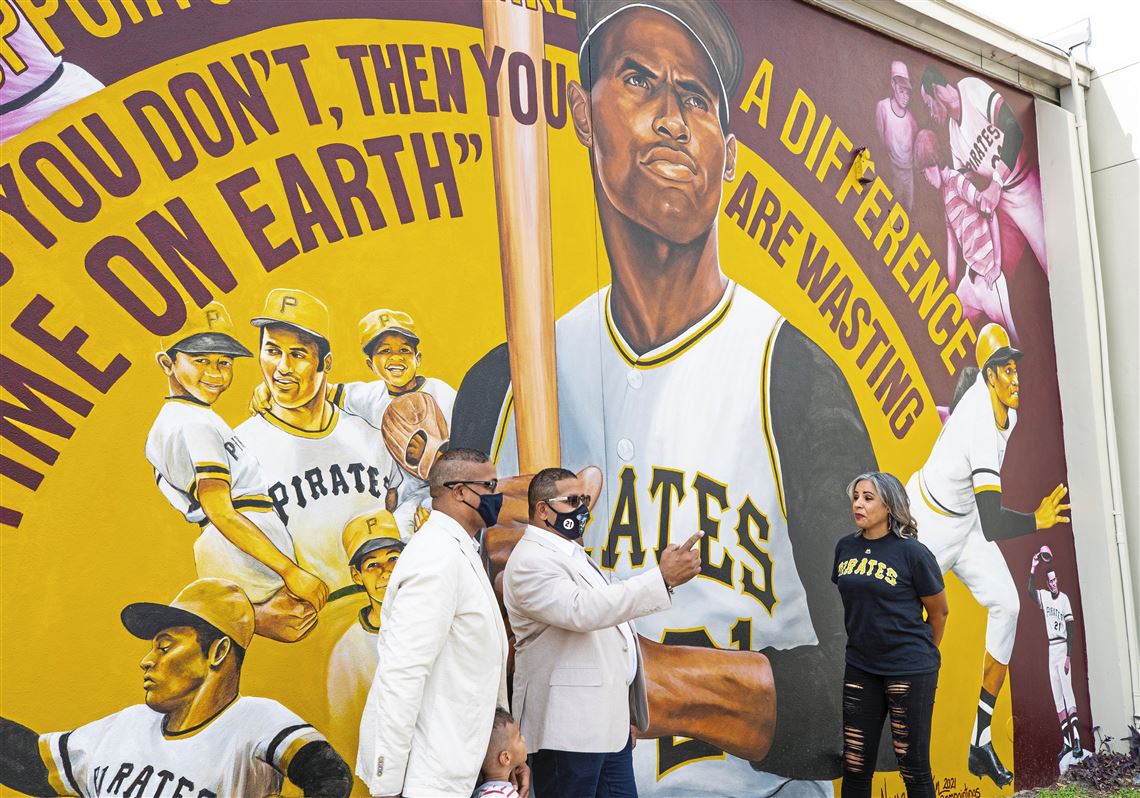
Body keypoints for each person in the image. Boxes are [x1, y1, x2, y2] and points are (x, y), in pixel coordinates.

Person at [453, 0, 879, 790]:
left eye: (698, 97)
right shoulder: (502, 383)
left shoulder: (792, 379)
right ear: (581, 112)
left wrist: (644, 675)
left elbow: (876, 687)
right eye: (639, 78)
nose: (673, 119)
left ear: (732, 153)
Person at [0, 578, 352, 797]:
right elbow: (32, 764)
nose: (147, 660)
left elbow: (329, 776)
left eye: (164, 646)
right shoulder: (128, 725)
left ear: (217, 652)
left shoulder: (256, 720)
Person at [905, 323, 1070, 785]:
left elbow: (963, 385)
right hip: (928, 527)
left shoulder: (1004, 409)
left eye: (1014, 366)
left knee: (1009, 605)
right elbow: (996, 521)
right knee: (906, 623)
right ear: (989, 377)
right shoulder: (981, 422)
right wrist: (1037, 519)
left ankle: (979, 742)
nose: (1014, 377)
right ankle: (897, 732)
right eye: (1003, 369)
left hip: (965, 524)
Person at [505, 467, 703, 797]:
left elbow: (606, 631)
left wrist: (618, 710)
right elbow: (582, 610)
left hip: (606, 728)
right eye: (572, 501)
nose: (582, 508)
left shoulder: (572, 555)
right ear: (542, 509)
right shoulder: (530, 560)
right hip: (566, 732)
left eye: (584, 499)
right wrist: (661, 579)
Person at [145, 301, 325, 643]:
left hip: (240, 544)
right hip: (237, 545)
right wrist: (288, 570)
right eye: (200, 361)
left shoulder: (187, 417)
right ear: (167, 362)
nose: (215, 373)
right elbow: (221, 512)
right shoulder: (191, 423)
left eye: (224, 362)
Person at [356, 448, 527, 798]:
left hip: (456, 767)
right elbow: (403, 673)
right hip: (428, 777)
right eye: (490, 485)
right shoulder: (436, 557)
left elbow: (478, 666)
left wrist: (505, 757)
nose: (498, 497)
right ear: (460, 490)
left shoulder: (457, 550)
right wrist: (388, 787)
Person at [236, 288, 395, 598]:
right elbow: (224, 556)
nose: (282, 367)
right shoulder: (242, 446)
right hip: (311, 626)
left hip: (392, 616)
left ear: (326, 362)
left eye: (297, 354)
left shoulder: (368, 434)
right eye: (272, 351)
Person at [833, 472, 948, 798]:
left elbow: (938, 612)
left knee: (912, 766)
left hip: (909, 669)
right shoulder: (846, 548)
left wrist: (925, 655)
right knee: (854, 765)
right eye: (856, 496)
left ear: (889, 505)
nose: (858, 503)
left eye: (868, 498)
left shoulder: (913, 553)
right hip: (861, 667)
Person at [919, 66, 1048, 274]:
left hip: (1024, 185)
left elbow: (1014, 129)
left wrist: (996, 183)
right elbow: (966, 185)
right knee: (997, 276)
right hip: (1001, 205)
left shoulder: (971, 88)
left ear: (937, 91)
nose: (930, 113)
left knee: (1052, 264)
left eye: (928, 104)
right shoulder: (953, 134)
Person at [914, 129, 1018, 344]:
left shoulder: (956, 181)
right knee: (954, 324)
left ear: (932, 161)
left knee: (1012, 340)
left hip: (989, 278)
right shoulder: (944, 196)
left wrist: (996, 265)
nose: (924, 178)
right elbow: (952, 246)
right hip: (970, 280)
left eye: (924, 172)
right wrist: (950, 291)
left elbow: (989, 211)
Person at [326, 508, 405, 765]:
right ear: (357, 575)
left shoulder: (425, 620)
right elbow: (343, 721)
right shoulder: (348, 649)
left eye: (393, 558)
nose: (386, 571)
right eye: (372, 565)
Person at [1026, 547, 1085, 768]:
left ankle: (1077, 740)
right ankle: (1067, 742)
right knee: (1057, 697)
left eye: (1054, 580)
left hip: (1062, 649)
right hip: (1052, 649)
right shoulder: (1045, 598)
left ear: (1057, 580)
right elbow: (1030, 591)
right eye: (1049, 581)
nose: (1053, 584)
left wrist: (1069, 656)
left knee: (1068, 695)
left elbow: (1070, 629)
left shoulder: (1064, 599)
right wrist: (1033, 568)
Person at [874, 60, 919, 211]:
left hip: (908, 175)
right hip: (892, 173)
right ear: (893, 85)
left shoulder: (911, 119)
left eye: (908, 92)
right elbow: (879, 140)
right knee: (891, 212)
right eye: (901, 91)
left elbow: (915, 148)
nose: (905, 96)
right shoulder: (883, 108)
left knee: (907, 212)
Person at [473, 709, 530, 798]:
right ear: (506, 757)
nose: (523, 738)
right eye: (519, 737)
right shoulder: (494, 794)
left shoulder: (493, 791)